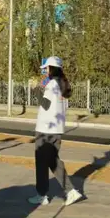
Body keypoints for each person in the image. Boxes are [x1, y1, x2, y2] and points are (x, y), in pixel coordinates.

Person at [28, 56, 84, 206]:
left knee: (42, 162)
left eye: (46, 69)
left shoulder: (52, 84)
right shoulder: (63, 84)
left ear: (52, 68)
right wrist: (41, 85)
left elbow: (45, 104)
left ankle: (51, 194)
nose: (45, 71)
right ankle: (67, 192)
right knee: (53, 161)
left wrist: (35, 90)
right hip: (57, 129)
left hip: (45, 129)